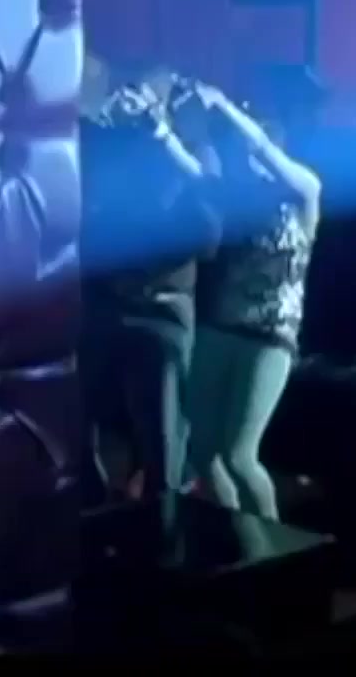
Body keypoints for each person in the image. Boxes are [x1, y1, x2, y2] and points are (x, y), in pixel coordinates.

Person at [180, 83, 320, 521]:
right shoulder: (240, 197)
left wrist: (224, 107)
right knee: (202, 449)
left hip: (270, 336)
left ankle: (274, 549)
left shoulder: (304, 192)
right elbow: (196, 174)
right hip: (221, 327)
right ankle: (238, 535)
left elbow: (261, 148)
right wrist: (160, 131)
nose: (250, 161)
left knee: (240, 456)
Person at [78, 92, 219, 504]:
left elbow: (209, 232)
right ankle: (97, 510)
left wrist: (163, 141)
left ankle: (164, 521)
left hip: (160, 312)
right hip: (104, 308)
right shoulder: (111, 150)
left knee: (161, 440)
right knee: (80, 429)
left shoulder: (192, 157)